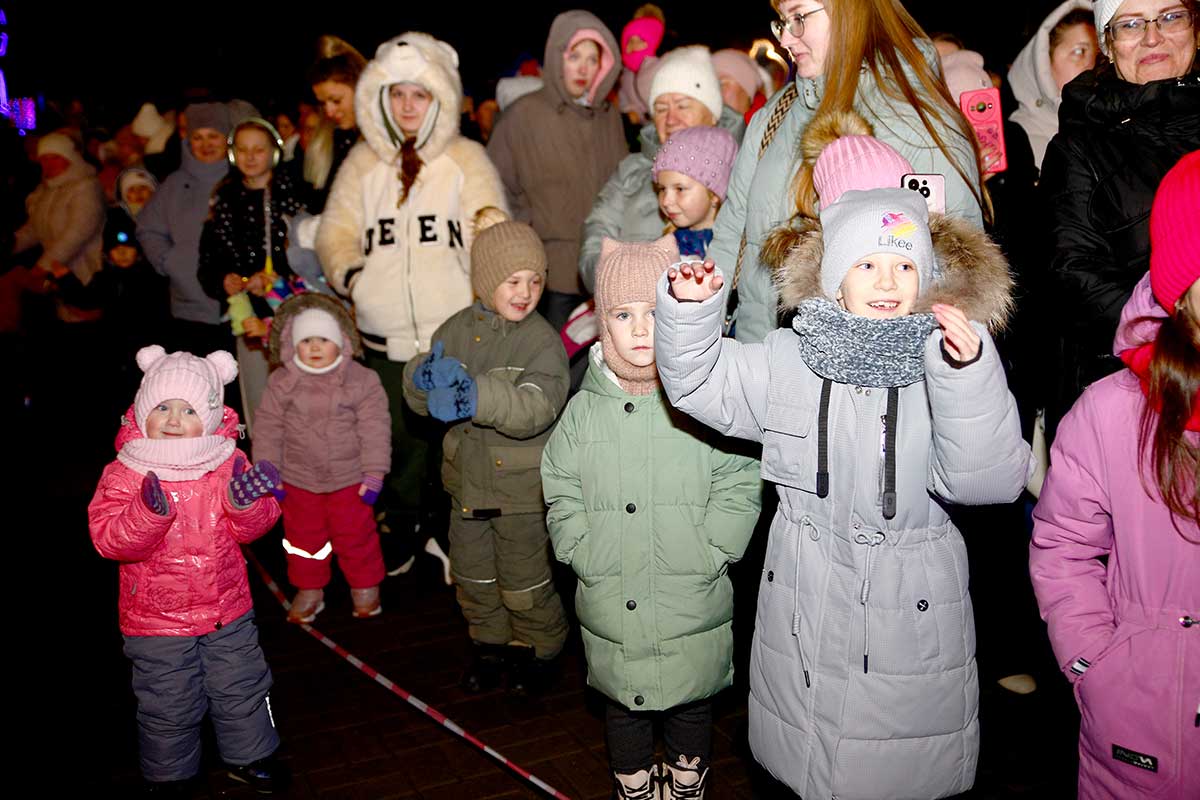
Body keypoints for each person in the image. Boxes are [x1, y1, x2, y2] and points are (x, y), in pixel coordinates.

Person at [654, 178, 1029, 796]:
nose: (887, 281)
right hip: (802, 608)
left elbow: (989, 481)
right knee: (803, 770)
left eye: (904, 266)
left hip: (907, 619)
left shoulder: (945, 361)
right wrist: (691, 314)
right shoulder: (789, 360)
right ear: (834, 279)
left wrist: (967, 376)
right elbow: (700, 383)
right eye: (867, 264)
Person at [542, 237, 760, 799]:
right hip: (612, 589)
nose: (640, 330)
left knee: (691, 694)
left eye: (656, 313)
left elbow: (740, 476)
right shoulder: (582, 411)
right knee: (624, 697)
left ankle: (687, 778)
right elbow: (560, 485)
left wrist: (717, 546)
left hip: (691, 586)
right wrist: (578, 547)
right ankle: (634, 783)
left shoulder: (705, 402)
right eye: (623, 315)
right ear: (602, 323)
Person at [1030, 150, 1200, 800]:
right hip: (1140, 733)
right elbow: (1064, 548)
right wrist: (1094, 665)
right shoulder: (1112, 413)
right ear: (1182, 291)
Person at [317, 31, 507, 578]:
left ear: (439, 98)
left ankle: (451, 534)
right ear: (379, 98)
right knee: (393, 443)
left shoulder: (465, 159)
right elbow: (335, 233)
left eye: (418, 94)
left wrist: (480, 289)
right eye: (397, 94)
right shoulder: (362, 164)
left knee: (453, 442)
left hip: (450, 332)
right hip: (385, 336)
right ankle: (401, 530)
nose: (406, 106)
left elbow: (491, 230)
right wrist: (356, 279)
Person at [712, 0, 984, 344]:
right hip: (755, 361)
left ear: (850, 12)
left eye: (799, 17)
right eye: (782, 21)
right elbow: (731, 235)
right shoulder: (775, 116)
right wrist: (695, 327)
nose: (785, 39)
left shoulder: (918, 125)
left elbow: (955, 276)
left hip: (866, 369)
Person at [88, 346, 286, 795]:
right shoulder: (125, 472)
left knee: (243, 685)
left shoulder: (227, 462)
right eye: (162, 407)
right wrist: (146, 515)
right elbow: (107, 539)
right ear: (143, 408)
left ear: (211, 417)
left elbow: (255, 527)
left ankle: (252, 756)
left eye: (189, 410)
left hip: (227, 610)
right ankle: (170, 776)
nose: (173, 420)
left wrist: (244, 503)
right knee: (168, 702)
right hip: (155, 620)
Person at [402, 220, 570, 695]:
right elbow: (423, 396)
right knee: (473, 575)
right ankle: (489, 644)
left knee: (524, 579)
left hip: (519, 492)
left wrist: (479, 396)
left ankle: (538, 647)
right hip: (466, 485)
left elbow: (537, 407)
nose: (526, 292)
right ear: (485, 280)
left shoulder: (541, 341)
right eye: (513, 281)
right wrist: (421, 380)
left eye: (535, 281)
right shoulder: (456, 329)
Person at [1038, 0, 1200, 440]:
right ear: (1107, 45)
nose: (1153, 37)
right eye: (1130, 25)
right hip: (1134, 392)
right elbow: (1073, 275)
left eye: (1171, 16)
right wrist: (1177, 340)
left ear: (1195, 27)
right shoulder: (1080, 146)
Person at [254, 293, 391, 622]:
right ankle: (310, 588)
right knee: (303, 540)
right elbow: (268, 427)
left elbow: (374, 427)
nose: (315, 347)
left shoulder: (362, 381)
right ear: (293, 344)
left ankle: (365, 585)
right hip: (298, 479)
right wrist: (268, 469)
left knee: (356, 536)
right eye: (306, 341)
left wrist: (374, 471)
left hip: (350, 479)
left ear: (341, 341)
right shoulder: (282, 382)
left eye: (323, 340)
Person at [487, 9, 627, 329]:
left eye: (593, 59)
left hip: (605, 271)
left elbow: (623, 186)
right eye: (574, 56)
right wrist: (524, 235)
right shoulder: (524, 115)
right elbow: (495, 187)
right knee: (550, 357)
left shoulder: (609, 118)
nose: (583, 68)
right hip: (547, 277)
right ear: (556, 56)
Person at [579, 45, 746, 292]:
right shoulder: (631, 170)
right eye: (660, 108)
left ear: (712, 113)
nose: (670, 119)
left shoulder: (742, 169)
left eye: (682, 105)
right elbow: (596, 234)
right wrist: (617, 281)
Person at [198, 117, 308, 435]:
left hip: (294, 314)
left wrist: (276, 279)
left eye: (258, 149)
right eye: (243, 149)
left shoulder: (294, 195)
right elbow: (208, 262)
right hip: (248, 319)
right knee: (259, 403)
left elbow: (312, 258)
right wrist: (224, 281)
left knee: (302, 400)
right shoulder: (224, 200)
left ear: (274, 152)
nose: (250, 157)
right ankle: (264, 462)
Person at [136, 102, 233, 357]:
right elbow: (148, 228)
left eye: (213, 136)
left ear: (227, 138)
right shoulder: (175, 184)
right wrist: (169, 261)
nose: (206, 144)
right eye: (197, 137)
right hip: (189, 307)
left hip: (239, 307)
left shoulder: (241, 180)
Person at [1008, 1, 1098, 172]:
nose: (1091, 64)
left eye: (1098, 54)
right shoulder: (1016, 142)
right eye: (1079, 52)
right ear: (1042, 64)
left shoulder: (1108, 130)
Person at [13, 132, 105, 296]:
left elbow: (77, 233)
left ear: (70, 158)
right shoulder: (46, 190)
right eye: (44, 158)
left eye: (55, 157)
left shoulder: (86, 187)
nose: (48, 164)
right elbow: (35, 228)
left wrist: (43, 265)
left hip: (86, 271)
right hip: (59, 273)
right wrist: (11, 244)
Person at [652, 126, 739, 259]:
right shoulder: (669, 245)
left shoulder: (733, 248)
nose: (665, 201)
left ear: (714, 194)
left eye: (680, 189)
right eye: (662, 189)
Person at [304, 35, 367, 211]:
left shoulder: (384, 142)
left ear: (360, 88)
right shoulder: (329, 140)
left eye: (336, 100)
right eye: (323, 103)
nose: (329, 111)